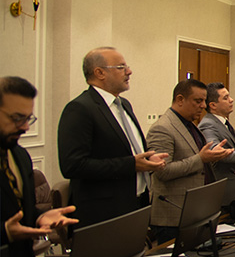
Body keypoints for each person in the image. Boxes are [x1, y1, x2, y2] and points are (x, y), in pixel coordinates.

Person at [58, 47, 167, 227]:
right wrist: (131, 165)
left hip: (136, 203)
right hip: (103, 213)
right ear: (100, 73)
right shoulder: (80, 108)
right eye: (121, 67)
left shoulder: (124, 105)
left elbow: (126, 149)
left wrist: (148, 159)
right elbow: (73, 165)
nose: (129, 71)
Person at [1, 77, 78, 257]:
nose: (25, 127)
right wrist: (5, 232)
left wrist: (39, 216)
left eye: (28, 118)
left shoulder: (19, 156)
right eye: (17, 118)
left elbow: (18, 210)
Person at [146, 79, 232, 229]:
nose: (203, 106)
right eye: (198, 101)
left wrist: (213, 156)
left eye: (204, 101)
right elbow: (163, 171)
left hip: (198, 210)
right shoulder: (162, 128)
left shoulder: (190, 124)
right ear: (180, 100)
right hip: (174, 214)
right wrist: (201, 159)